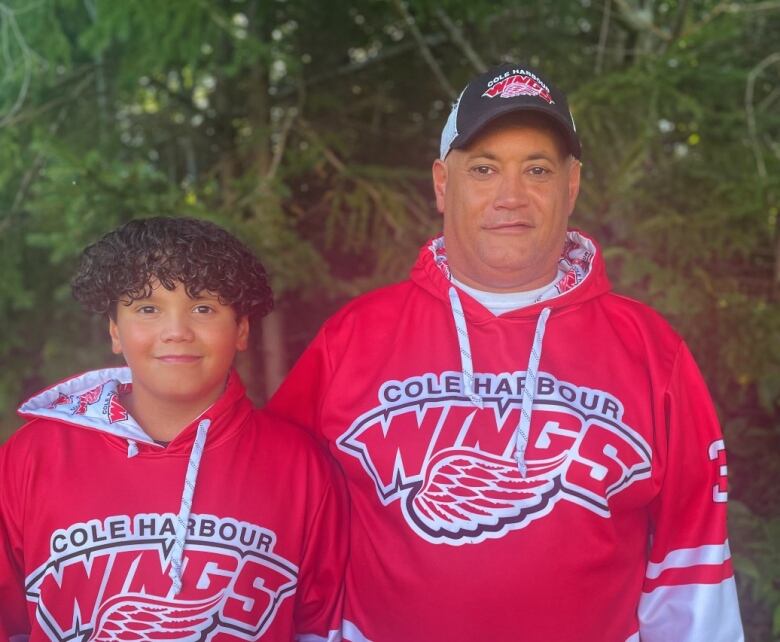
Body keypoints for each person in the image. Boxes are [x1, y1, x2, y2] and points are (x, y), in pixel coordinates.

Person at [267, 63, 744, 641]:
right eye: (485, 169)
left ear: (570, 186)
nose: (511, 196)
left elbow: (691, 558)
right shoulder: (354, 337)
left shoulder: (650, 349)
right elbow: (280, 516)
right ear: (444, 185)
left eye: (537, 170)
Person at [0, 217, 347, 641]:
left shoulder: (300, 466)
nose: (177, 331)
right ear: (114, 330)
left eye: (203, 308)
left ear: (241, 329)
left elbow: (321, 626)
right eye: (147, 308)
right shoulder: (31, 458)